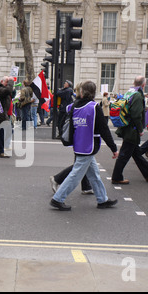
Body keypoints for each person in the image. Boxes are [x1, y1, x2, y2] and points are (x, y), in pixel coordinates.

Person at [50, 81, 119, 211]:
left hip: (78, 144)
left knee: (94, 174)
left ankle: (102, 199)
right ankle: (58, 199)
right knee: (76, 175)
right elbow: (104, 130)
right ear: (93, 92)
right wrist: (113, 148)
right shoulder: (94, 107)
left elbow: (64, 112)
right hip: (89, 145)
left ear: (81, 92)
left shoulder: (74, 106)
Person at [111, 76, 148, 184]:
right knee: (124, 154)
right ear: (143, 85)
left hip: (127, 127)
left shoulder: (130, 92)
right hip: (132, 129)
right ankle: (116, 177)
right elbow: (136, 115)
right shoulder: (138, 95)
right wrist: (140, 129)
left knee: (136, 153)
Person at [0, 76, 14, 157]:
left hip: (4, 114)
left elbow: (11, 92)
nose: (7, 84)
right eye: (6, 81)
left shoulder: (3, 89)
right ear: (2, 81)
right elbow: (8, 90)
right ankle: (0, 151)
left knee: (8, 131)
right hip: (0, 115)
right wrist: (11, 81)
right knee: (2, 133)